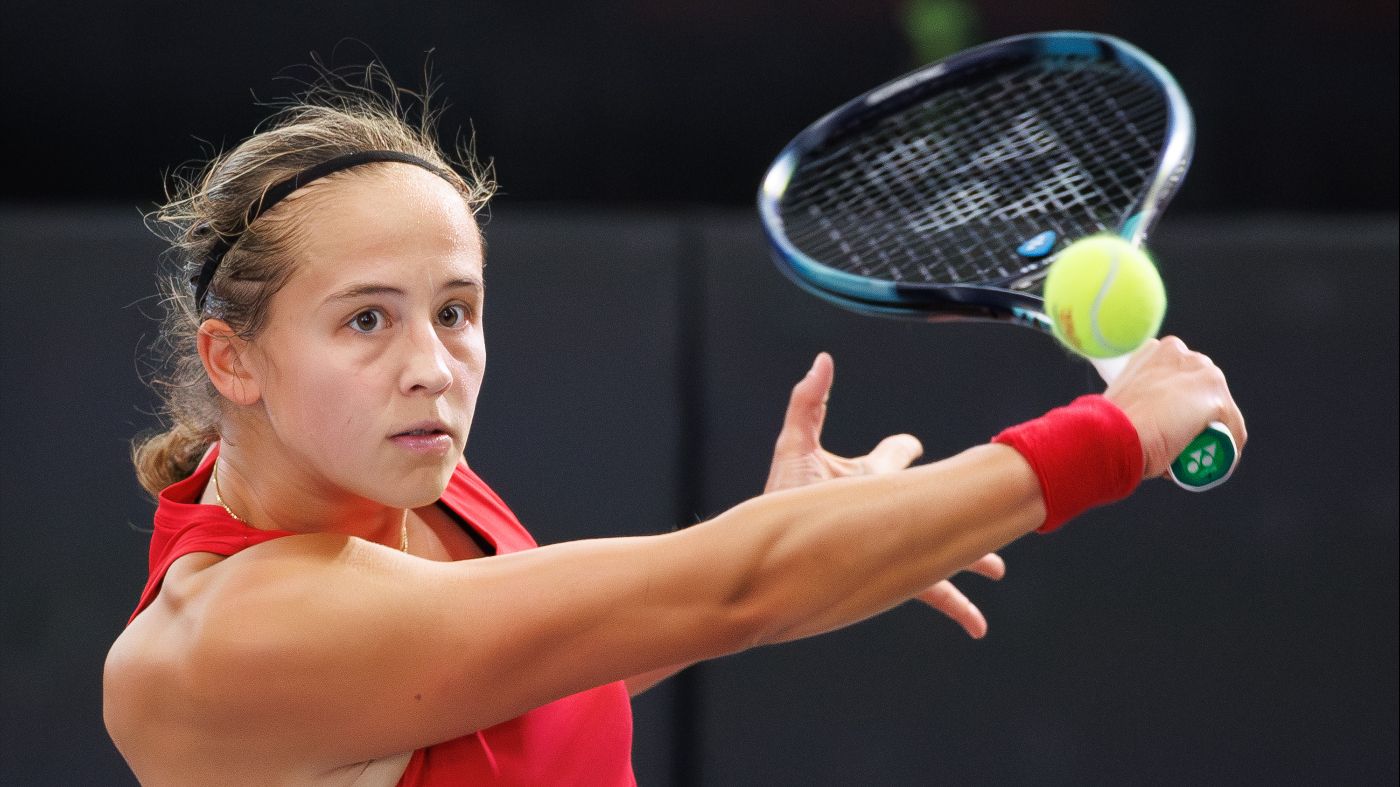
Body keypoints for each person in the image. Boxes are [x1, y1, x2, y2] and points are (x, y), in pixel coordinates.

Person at [102, 74, 1246, 786]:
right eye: (366, 319)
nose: (431, 367)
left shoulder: (401, 475)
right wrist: (1112, 436)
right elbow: (729, 589)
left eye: (454, 310)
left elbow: (546, 669)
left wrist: (796, 531)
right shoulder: (230, 643)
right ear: (233, 360)